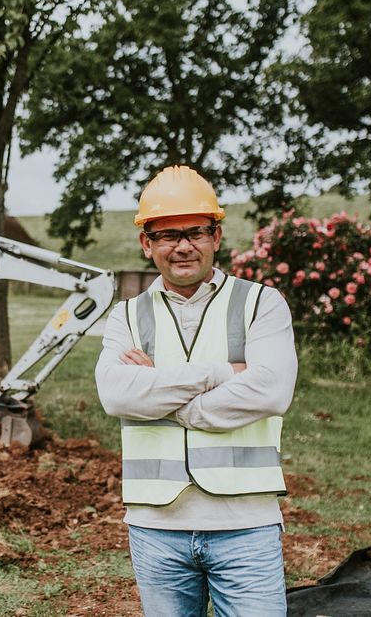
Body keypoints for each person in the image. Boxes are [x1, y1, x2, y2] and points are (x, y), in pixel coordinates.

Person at [95, 165, 298, 616]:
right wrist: (222, 371)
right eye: (167, 235)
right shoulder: (125, 316)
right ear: (147, 244)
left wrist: (162, 391)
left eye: (196, 232)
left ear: (216, 237)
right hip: (155, 526)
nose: (183, 245)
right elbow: (115, 395)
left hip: (246, 525)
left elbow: (271, 390)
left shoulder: (261, 303)